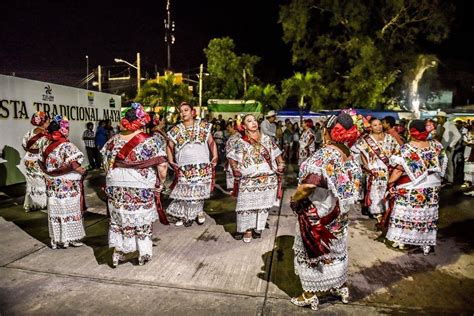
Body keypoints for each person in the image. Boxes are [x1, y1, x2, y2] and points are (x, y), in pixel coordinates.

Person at [289, 113, 362, 310]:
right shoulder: (350, 154)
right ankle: (341, 287)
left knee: (313, 252)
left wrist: (294, 199)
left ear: (327, 132)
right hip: (339, 216)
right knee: (337, 252)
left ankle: (310, 294)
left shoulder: (324, 155)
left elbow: (308, 186)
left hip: (319, 215)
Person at [101, 103, 168, 266]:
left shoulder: (112, 141)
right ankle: (143, 253)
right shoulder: (151, 142)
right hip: (141, 184)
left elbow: (105, 164)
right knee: (141, 219)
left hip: (116, 184)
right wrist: (160, 184)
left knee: (119, 219)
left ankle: (119, 252)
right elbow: (162, 166)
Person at [384, 120, 446, 255]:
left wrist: (390, 184)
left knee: (406, 210)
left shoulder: (407, 149)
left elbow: (398, 170)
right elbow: (441, 164)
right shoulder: (436, 146)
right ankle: (426, 244)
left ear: (410, 131)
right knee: (427, 213)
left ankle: (401, 240)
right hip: (433, 185)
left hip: (415, 185)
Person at [227, 114, 284, 242]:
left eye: (254, 120)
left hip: (267, 178)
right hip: (248, 179)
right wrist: (235, 169)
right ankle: (247, 229)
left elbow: (277, 154)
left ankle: (258, 227)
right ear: (244, 125)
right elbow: (231, 157)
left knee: (262, 206)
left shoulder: (267, 139)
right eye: (249, 121)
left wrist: (281, 165)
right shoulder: (240, 142)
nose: (253, 123)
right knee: (246, 206)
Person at [166, 102, 218, 227]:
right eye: (181, 111)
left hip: (202, 164)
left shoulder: (204, 126)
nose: (183, 113)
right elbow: (169, 146)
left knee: (199, 190)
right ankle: (185, 214)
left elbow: (211, 142)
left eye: (186, 110)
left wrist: (215, 156)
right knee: (185, 192)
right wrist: (171, 160)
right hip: (184, 166)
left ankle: (199, 212)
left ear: (193, 112)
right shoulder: (175, 130)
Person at [39, 115, 87, 249]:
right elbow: (74, 165)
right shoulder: (67, 146)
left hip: (52, 184)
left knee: (56, 209)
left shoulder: (45, 144)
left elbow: (41, 163)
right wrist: (83, 172)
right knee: (69, 209)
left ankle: (57, 239)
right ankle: (71, 238)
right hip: (67, 186)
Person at [354, 118, 399, 221]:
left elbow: (397, 152)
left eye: (379, 124)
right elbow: (359, 154)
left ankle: (386, 212)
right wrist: (366, 167)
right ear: (371, 127)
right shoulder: (366, 140)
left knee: (387, 192)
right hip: (374, 171)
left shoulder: (390, 138)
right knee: (376, 192)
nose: (378, 127)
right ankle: (377, 214)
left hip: (388, 171)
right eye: (375, 125)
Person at [21, 111, 50, 212]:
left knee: (31, 181)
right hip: (39, 159)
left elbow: (24, 145)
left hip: (29, 159)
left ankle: (30, 204)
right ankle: (42, 203)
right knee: (42, 180)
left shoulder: (29, 132)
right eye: (48, 121)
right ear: (44, 122)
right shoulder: (46, 135)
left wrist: (31, 151)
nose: (49, 123)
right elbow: (47, 148)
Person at [435, 111, 461, 185]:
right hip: (441, 147)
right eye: (437, 118)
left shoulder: (450, 125)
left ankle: (450, 180)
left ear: (444, 118)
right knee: (442, 163)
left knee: (449, 162)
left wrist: (451, 145)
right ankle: (444, 178)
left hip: (449, 147)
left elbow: (458, 136)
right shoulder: (439, 126)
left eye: (439, 118)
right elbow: (438, 136)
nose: (437, 120)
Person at [225, 122, 241, 191]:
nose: (227, 129)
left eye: (229, 127)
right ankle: (232, 188)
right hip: (229, 158)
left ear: (233, 127)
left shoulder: (238, 136)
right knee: (230, 173)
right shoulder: (231, 136)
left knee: (234, 173)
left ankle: (235, 188)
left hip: (234, 158)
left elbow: (239, 148)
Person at [462, 122, 474, 194]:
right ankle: (469, 186)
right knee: (468, 170)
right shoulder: (468, 133)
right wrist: (467, 143)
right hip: (468, 153)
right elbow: (463, 142)